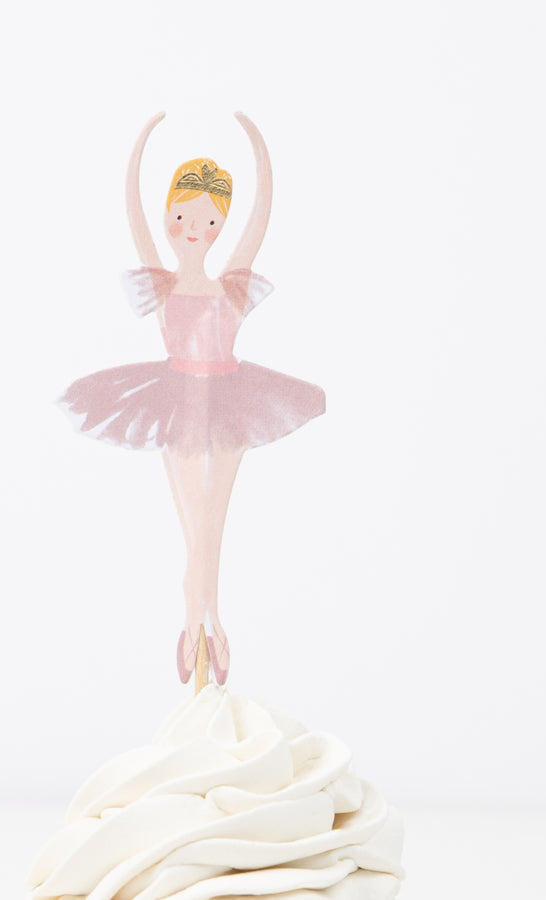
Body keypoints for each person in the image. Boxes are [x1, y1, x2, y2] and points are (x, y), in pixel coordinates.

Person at [59, 112, 325, 685]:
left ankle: (208, 621)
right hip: (176, 401)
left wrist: (259, 148)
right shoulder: (162, 285)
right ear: (169, 219)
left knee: (212, 526)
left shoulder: (232, 285)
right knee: (195, 526)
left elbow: (260, 218)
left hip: (229, 401)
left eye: (206, 221)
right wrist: (139, 147)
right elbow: (134, 216)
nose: (192, 229)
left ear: (219, 226)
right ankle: (199, 622)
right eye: (181, 217)